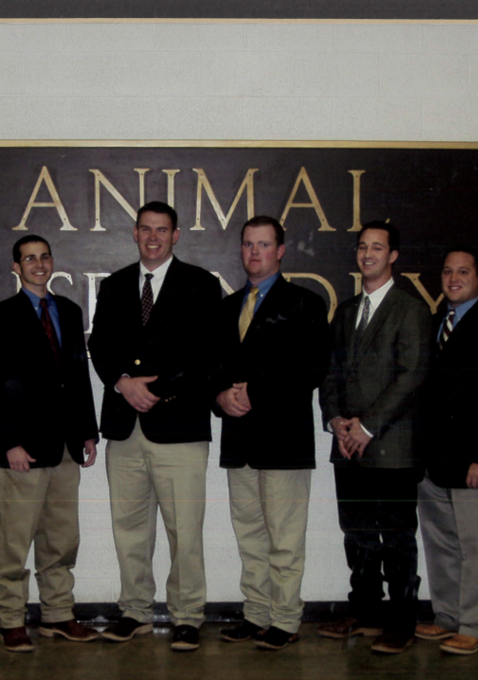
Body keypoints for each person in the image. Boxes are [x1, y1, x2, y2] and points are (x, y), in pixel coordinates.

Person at [88, 201, 222, 652]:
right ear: (134, 232)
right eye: (145, 229)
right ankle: (135, 611)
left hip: (180, 427)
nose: (152, 237)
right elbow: (101, 346)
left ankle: (186, 617)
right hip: (125, 429)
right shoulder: (114, 285)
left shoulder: (201, 285)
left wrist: (157, 388)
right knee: (129, 528)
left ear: (176, 235)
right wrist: (123, 383)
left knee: (184, 530)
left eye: (161, 230)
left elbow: (206, 357)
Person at [213, 216, 330, 651]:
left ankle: (285, 619)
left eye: (263, 244)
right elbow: (213, 370)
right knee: (250, 536)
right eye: (248, 244)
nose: (254, 252)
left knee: (284, 538)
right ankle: (256, 614)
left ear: (281, 250)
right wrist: (220, 396)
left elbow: (311, 368)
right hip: (239, 438)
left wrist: (254, 392)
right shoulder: (226, 308)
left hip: (283, 439)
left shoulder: (305, 303)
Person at [0, 235, 100, 653]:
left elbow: (78, 377)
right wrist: (8, 441)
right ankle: (11, 620)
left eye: (44, 257)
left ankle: (58, 615)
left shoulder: (68, 310)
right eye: (29, 258)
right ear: (16, 267)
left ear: (52, 263)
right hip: (22, 450)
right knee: (15, 540)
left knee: (61, 539)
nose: (38, 264)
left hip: (65, 445)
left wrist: (88, 431)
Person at [318, 221, 431, 655]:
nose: (368, 254)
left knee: (397, 537)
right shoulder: (346, 311)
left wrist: (366, 426)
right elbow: (330, 375)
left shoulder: (410, 309)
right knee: (357, 534)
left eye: (378, 247)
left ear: (393, 256)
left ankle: (401, 622)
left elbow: (411, 377)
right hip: (347, 446)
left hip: (393, 448)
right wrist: (337, 422)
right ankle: (364, 612)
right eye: (363, 246)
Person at [415, 248, 478, 655]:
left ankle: (476, 626)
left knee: (475, 545)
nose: (453, 278)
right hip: (434, 458)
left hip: (475, 459)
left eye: (463, 272)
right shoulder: (434, 323)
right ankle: (447, 617)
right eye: (447, 271)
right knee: (440, 543)